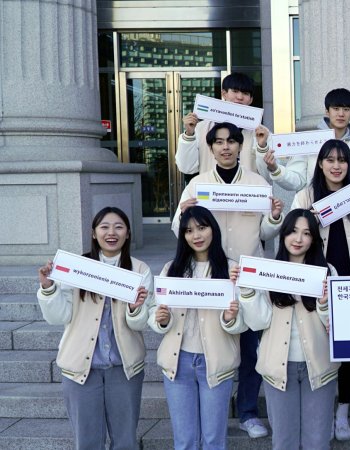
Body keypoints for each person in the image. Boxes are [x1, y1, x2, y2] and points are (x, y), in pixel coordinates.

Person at [264, 139, 350, 441]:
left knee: (348, 348)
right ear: (319, 164)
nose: (336, 166)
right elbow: (291, 233)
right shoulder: (305, 195)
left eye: (342, 160)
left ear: (349, 164)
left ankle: (342, 410)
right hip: (315, 282)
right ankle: (320, 408)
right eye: (330, 160)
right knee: (319, 346)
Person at [172, 122, 280, 439]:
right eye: (218, 142)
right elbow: (181, 231)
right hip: (209, 278)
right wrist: (181, 213)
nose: (226, 147)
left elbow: (265, 233)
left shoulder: (258, 183)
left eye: (232, 141)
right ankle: (209, 412)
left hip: (247, 277)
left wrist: (274, 217)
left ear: (240, 146)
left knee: (250, 347)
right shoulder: (196, 186)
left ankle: (247, 411)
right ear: (211, 148)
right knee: (209, 344)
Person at [36, 207, 152, 450]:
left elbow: (141, 324)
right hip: (80, 369)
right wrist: (49, 289)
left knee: (125, 441)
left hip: (124, 369)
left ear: (128, 234)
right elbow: (60, 316)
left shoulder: (139, 270)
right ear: (93, 233)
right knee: (87, 441)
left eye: (119, 226)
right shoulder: (77, 267)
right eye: (104, 226)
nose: (112, 232)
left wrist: (135, 309)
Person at [235, 208, 340, 449]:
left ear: (314, 238)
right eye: (293, 232)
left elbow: (335, 326)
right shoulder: (267, 271)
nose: (299, 239)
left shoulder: (328, 272)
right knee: (284, 441)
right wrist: (248, 292)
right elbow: (259, 322)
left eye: (306, 233)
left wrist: (325, 305)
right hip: (277, 369)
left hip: (320, 367)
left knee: (318, 441)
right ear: (283, 235)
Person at [149, 206, 248, 450]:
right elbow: (156, 314)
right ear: (183, 236)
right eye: (189, 231)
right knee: (185, 441)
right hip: (178, 363)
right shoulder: (171, 269)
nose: (197, 235)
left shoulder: (232, 269)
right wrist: (161, 319)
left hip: (216, 363)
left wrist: (230, 318)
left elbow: (245, 321)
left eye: (202, 228)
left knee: (214, 441)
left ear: (213, 229)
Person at [261, 88, 350, 192]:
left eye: (346, 109)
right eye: (336, 109)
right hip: (313, 208)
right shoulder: (308, 142)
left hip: (348, 208)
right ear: (327, 111)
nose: (341, 114)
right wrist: (275, 169)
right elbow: (297, 181)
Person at [177, 72, 270, 178]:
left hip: (247, 193)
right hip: (214, 191)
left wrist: (262, 147)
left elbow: (267, 174)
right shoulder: (201, 128)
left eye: (245, 93)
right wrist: (189, 135)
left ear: (251, 99)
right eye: (235, 91)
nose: (240, 97)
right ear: (224, 93)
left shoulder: (262, 133)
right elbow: (186, 168)